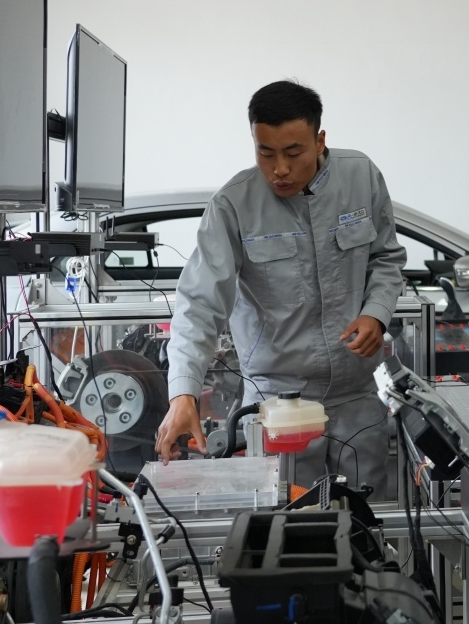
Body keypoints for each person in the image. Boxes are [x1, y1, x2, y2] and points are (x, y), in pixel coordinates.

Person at [155, 80, 406, 497]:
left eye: (293, 152)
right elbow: (199, 305)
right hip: (277, 407)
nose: (280, 169)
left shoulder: (361, 177)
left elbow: (386, 258)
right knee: (284, 520)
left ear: (320, 140)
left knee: (367, 517)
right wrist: (183, 392)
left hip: (356, 399)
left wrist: (375, 313)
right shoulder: (233, 205)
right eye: (266, 153)